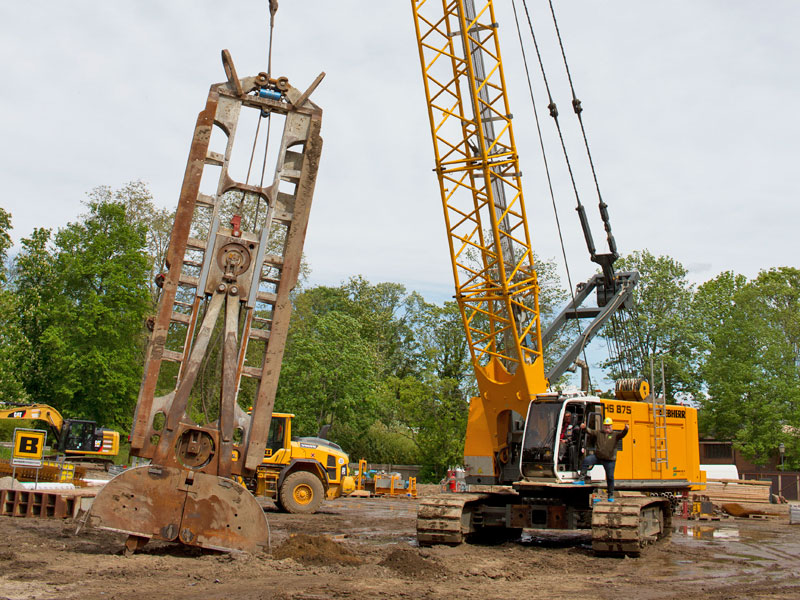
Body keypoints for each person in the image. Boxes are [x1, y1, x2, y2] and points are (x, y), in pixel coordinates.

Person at [576, 416, 629, 501]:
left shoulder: (615, 435)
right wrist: (585, 428)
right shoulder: (599, 433)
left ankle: (611, 494)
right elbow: (590, 432)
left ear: (611, 426)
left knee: (610, 477)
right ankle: (582, 478)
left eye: (609, 426)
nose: (607, 428)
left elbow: (622, 434)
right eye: (605, 426)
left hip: (609, 460)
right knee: (586, 460)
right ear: (603, 426)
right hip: (598, 457)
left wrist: (626, 429)